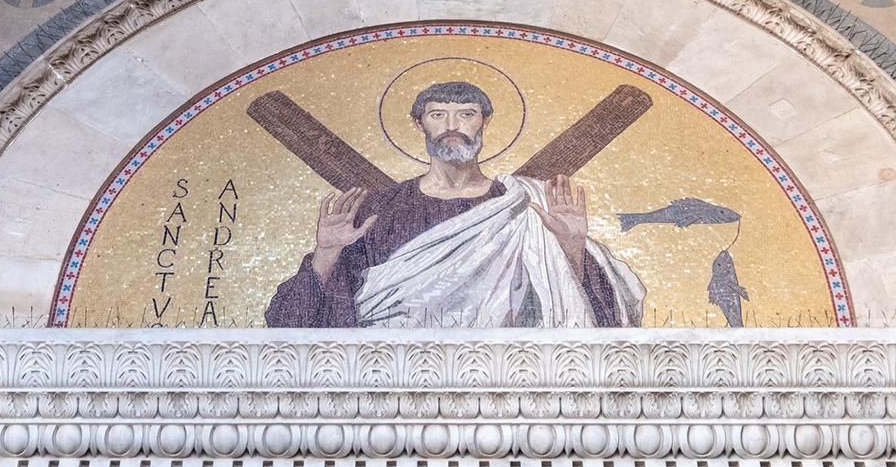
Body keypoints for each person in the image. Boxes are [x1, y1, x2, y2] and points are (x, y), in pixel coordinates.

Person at [264, 81, 645, 328]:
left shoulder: (523, 205)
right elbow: (291, 326)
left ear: (484, 122)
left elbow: (600, 324)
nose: (452, 125)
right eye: (437, 115)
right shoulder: (379, 210)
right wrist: (327, 253)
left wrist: (572, 247)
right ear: (419, 124)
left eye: (466, 114)